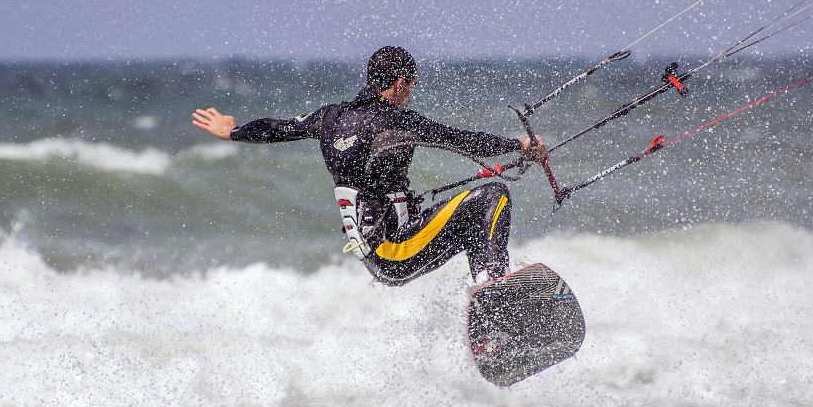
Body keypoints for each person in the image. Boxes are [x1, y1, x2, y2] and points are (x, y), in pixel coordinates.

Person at [192, 46, 547, 286]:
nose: (411, 93)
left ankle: (487, 305)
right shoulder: (397, 122)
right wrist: (520, 145)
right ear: (398, 84)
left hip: (379, 258)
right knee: (492, 196)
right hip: (396, 248)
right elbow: (462, 140)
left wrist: (234, 132)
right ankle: (494, 290)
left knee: (474, 225)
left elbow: (277, 128)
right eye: (411, 86)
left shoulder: (330, 118)